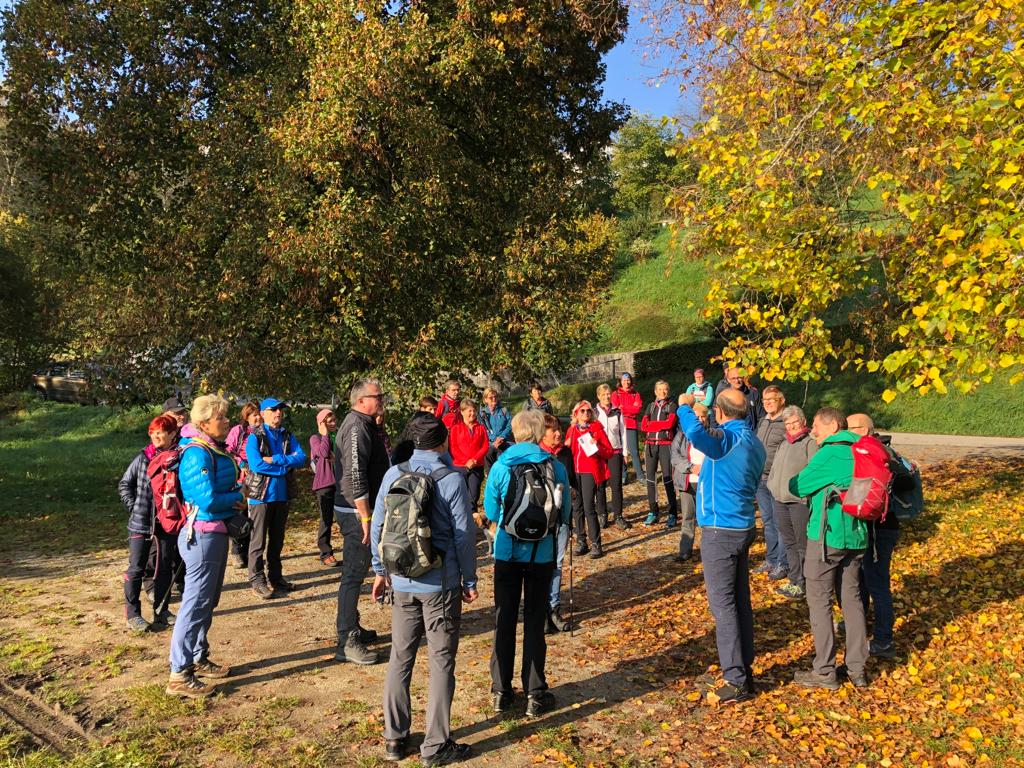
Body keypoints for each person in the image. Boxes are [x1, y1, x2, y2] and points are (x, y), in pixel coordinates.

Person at [370, 415, 477, 766]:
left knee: (400, 656)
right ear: (443, 442)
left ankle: (394, 738)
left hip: (400, 580)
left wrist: (379, 570)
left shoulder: (393, 473)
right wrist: (470, 579)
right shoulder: (451, 479)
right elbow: (463, 535)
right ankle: (435, 745)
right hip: (439, 584)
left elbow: (378, 526)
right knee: (441, 661)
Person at [676, 388, 766, 704]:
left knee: (723, 605)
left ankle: (735, 678)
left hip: (720, 530)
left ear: (719, 411)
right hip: (741, 524)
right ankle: (744, 668)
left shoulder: (727, 440)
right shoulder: (754, 441)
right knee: (740, 601)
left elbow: (693, 433)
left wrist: (684, 405)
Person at [484, 410, 571, 718]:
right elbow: (565, 513)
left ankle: (501, 691)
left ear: (516, 433)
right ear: (537, 433)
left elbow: (491, 511)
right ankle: (535, 692)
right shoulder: (555, 466)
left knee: (504, 618)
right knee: (535, 620)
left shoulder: (501, 465)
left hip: (507, 553)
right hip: (542, 554)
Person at [166, 394, 243, 698]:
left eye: (226, 416)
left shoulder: (212, 448)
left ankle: (198, 656)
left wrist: (235, 490)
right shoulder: (197, 453)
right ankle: (178, 674)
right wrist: (237, 499)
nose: (227, 422)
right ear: (203, 423)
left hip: (216, 532)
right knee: (195, 603)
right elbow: (206, 499)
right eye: (221, 417)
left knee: (207, 602)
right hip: (202, 535)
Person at [789, 407, 869, 690]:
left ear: (834, 425)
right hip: (858, 536)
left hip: (827, 536)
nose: (812, 431)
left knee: (820, 601)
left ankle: (824, 671)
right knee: (852, 599)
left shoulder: (831, 452)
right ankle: (857, 669)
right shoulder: (863, 450)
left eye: (816, 425)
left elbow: (797, 485)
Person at [334, 378, 391, 665]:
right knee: (354, 574)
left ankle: (352, 625)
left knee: (359, 570)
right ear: (360, 401)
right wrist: (367, 517)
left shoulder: (366, 423)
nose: (381, 399)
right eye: (376, 395)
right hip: (355, 512)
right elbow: (355, 475)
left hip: (363, 510)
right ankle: (346, 639)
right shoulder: (356, 426)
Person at [119, 414, 179, 634]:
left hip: (167, 523)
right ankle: (133, 614)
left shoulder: (177, 459)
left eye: (160, 431)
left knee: (164, 568)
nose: (155, 435)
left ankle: (162, 611)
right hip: (141, 523)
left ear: (172, 434)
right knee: (136, 568)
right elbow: (125, 485)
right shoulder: (143, 458)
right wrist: (136, 507)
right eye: (153, 431)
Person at [847, 412, 899, 660]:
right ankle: (861, 626)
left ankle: (883, 640)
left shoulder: (873, 452)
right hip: (874, 526)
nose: (848, 431)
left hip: (881, 528)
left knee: (877, 583)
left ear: (867, 429)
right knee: (864, 579)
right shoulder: (878, 450)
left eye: (853, 427)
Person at [244, 397, 307, 599]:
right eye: (273, 410)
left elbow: (302, 458)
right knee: (258, 541)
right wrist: (284, 468)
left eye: (280, 410)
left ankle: (276, 577)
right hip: (261, 497)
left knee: (277, 540)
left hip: (282, 495)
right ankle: (257, 579)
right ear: (263, 413)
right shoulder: (255, 437)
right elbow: (256, 465)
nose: (278, 413)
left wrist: (278, 460)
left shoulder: (287, 435)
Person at [766, 405, 818, 600]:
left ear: (803, 421)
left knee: (801, 543)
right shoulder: (784, 443)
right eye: (788, 423)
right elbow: (775, 468)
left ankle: (805, 582)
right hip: (779, 499)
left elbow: (814, 472)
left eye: (795, 422)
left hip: (799, 501)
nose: (792, 426)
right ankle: (795, 579)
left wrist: (805, 494)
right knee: (788, 542)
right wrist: (772, 484)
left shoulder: (809, 443)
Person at [540, 413, 575, 634]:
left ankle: (553, 608)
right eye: (553, 430)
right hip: (540, 519)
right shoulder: (537, 456)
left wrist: (567, 519)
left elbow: (571, 481)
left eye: (559, 429)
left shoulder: (565, 453)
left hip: (560, 517)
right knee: (542, 563)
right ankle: (541, 609)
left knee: (558, 564)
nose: (558, 433)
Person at [565, 400, 613, 559]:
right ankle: (581, 540)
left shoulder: (597, 429)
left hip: (589, 472)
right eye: (582, 411)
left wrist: (597, 445)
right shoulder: (572, 430)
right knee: (576, 507)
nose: (586, 413)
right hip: (575, 472)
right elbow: (567, 451)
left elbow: (609, 452)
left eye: (588, 411)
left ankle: (596, 544)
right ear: (576, 414)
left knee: (588, 507)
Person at [670, 401, 712, 563]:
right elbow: (675, 457)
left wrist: (705, 468)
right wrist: (691, 467)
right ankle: (685, 551)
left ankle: (708, 551)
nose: (700, 420)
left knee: (706, 518)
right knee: (688, 516)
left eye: (703, 417)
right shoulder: (682, 435)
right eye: (697, 417)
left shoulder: (712, 434)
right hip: (687, 482)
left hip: (706, 483)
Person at [754, 385, 788, 581]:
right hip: (761, 478)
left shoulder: (786, 422)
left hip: (777, 479)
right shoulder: (763, 422)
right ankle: (772, 558)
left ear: (781, 400)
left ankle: (783, 563)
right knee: (768, 522)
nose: (767, 403)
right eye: (764, 400)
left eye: (771, 400)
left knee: (780, 523)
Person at [225, 400, 261, 569]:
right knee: (240, 513)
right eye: (254, 415)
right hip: (241, 479)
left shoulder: (263, 432)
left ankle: (248, 551)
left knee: (253, 515)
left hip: (258, 479)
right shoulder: (238, 431)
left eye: (259, 414)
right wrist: (241, 464)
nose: (258, 417)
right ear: (246, 417)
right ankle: (236, 552)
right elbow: (228, 451)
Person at [641, 380, 679, 527]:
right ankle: (653, 511)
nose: (662, 392)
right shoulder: (650, 407)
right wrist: (656, 426)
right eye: (660, 389)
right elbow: (644, 426)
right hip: (650, 446)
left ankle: (672, 513)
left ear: (668, 391)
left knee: (668, 479)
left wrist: (653, 425)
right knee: (650, 480)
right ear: (655, 391)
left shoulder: (672, 406)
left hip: (665, 446)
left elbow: (669, 424)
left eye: (665, 389)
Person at [594, 384, 629, 530]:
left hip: (615, 451)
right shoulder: (594, 412)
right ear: (598, 396)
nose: (606, 397)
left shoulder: (617, 411)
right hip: (599, 453)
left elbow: (623, 432)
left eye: (608, 394)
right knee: (600, 486)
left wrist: (625, 452)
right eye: (603, 394)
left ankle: (618, 515)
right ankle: (602, 515)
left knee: (616, 485)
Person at [310, 408, 342, 568]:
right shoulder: (315, 438)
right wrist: (324, 434)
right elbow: (322, 453)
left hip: (342, 482)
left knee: (346, 517)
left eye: (334, 420)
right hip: (325, 484)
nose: (333, 423)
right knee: (326, 519)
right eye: (329, 421)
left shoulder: (338, 437)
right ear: (321, 423)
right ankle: (325, 552)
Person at [449, 398, 490, 516]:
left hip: (477, 466)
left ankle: (472, 517)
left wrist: (475, 460)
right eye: (469, 411)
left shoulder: (481, 428)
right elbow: (453, 447)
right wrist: (466, 461)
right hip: (460, 466)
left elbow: (485, 446)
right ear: (462, 412)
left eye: (474, 411)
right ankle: (459, 515)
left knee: (474, 494)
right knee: (461, 493)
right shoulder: (455, 429)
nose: (472, 414)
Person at [611, 372, 645, 484]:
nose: (626, 382)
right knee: (620, 451)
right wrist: (630, 409)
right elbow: (616, 409)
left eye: (628, 380)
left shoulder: (636, 394)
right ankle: (623, 475)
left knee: (634, 451)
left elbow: (637, 410)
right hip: (619, 425)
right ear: (620, 381)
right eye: (624, 380)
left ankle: (640, 475)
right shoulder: (615, 394)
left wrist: (624, 409)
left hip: (631, 425)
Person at [480, 387, 513, 470]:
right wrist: (494, 440)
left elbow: (510, 425)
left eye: (495, 397)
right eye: (491, 398)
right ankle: (490, 476)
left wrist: (501, 437)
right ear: (485, 400)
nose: (494, 399)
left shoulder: (504, 410)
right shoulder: (482, 414)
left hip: (504, 441)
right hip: (490, 443)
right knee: (488, 454)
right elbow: (482, 429)